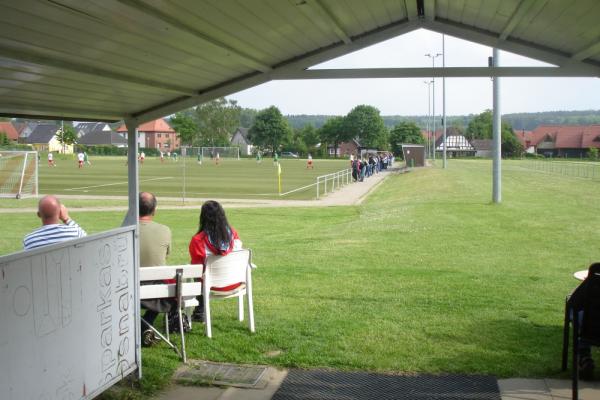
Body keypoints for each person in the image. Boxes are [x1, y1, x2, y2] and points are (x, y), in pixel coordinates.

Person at [188, 200, 243, 322]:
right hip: (235, 282)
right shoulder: (233, 234)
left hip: (211, 284)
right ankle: (200, 311)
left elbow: (197, 268)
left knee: (197, 274)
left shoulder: (198, 240)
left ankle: (199, 310)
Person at [137, 192, 179, 345]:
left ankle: (143, 325)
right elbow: (164, 257)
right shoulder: (165, 230)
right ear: (154, 210)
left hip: (130, 290)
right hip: (157, 293)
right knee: (166, 284)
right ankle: (145, 324)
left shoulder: (127, 230)